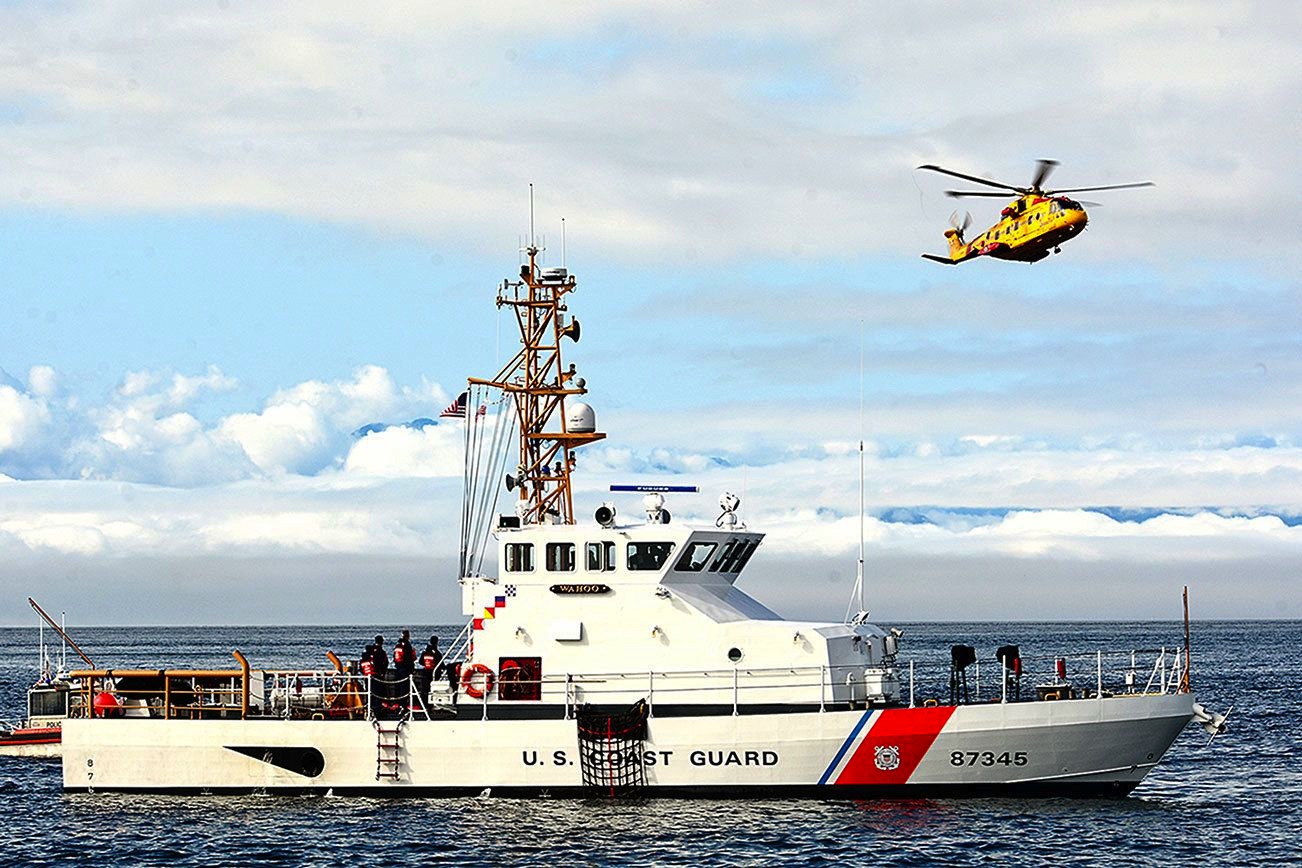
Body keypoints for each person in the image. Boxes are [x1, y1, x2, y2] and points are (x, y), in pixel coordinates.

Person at [417, 637, 443, 703]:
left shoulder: (425, 652)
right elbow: (441, 664)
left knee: (425, 689)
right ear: (437, 642)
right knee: (433, 689)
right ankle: (432, 703)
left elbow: (420, 662)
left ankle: (424, 703)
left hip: (425, 672)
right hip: (433, 673)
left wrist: (426, 665)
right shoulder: (437, 653)